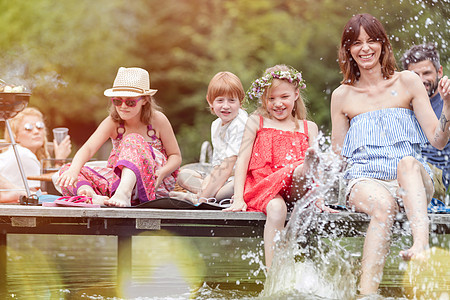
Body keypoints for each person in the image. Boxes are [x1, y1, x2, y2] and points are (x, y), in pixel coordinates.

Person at [330, 13, 450, 296]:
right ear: (348, 50)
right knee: (383, 207)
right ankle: (367, 293)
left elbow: (438, 141)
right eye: (357, 43)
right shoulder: (342, 96)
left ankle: (420, 245)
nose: (365, 48)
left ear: (383, 45)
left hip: (411, 179)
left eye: (372, 40)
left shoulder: (408, 81)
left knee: (407, 163)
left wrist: (447, 105)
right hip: (365, 180)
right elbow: (338, 157)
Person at [225, 64, 336, 269]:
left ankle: (306, 165)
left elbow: (317, 177)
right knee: (276, 210)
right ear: (264, 99)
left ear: (296, 94)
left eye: (284, 97)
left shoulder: (307, 127)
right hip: (265, 185)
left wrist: (319, 199)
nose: (277, 104)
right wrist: (239, 198)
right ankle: (274, 279)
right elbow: (242, 161)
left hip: (298, 188)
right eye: (271, 98)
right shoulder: (256, 122)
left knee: (302, 170)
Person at [56, 67, 181, 207]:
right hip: (118, 183)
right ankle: (90, 195)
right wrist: (73, 171)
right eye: (117, 101)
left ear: (145, 100)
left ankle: (124, 194)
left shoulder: (158, 120)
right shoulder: (113, 122)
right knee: (67, 170)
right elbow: (89, 148)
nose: (123, 106)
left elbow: (175, 155)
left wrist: (162, 172)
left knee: (133, 139)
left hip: (153, 181)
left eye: (130, 102)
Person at [170, 71, 248, 203]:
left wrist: (202, 197)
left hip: (240, 179)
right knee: (182, 175)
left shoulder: (241, 123)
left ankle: (200, 199)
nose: (225, 106)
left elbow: (228, 166)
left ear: (241, 102)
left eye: (232, 100)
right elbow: (218, 165)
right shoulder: (216, 125)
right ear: (210, 101)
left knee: (234, 188)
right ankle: (207, 194)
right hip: (222, 177)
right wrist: (208, 181)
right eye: (220, 100)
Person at [401, 43, 450, 199]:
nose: (421, 80)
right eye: (415, 75)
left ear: (439, 71)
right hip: (399, 172)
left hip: (434, 179)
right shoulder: (401, 103)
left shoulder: (447, 101)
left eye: (427, 73)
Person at [0, 107, 72, 192]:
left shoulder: (15, 153)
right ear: (15, 136)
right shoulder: (23, 155)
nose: (36, 131)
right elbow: (48, 192)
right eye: (28, 128)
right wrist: (60, 160)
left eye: (39, 126)